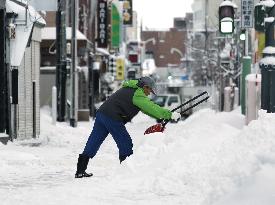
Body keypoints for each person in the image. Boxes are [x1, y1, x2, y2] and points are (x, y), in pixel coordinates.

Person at [75, 76, 181, 178]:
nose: (149, 94)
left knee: (94, 141)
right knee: (125, 143)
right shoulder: (138, 94)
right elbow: (151, 107)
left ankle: (80, 170)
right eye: (150, 91)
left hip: (102, 114)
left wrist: (163, 116)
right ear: (145, 87)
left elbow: (147, 110)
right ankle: (125, 173)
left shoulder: (130, 88)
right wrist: (169, 115)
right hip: (112, 117)